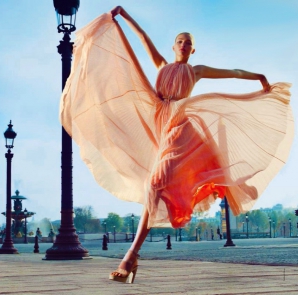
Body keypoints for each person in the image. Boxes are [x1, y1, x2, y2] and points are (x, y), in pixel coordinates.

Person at [59, 5, 293, 284]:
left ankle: (130, 257)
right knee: (153, 188)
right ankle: (132, 258)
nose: (184, 45)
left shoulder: (196, 71)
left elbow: (232, 71)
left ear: (192, 51)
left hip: (181, 130)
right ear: (173, 46)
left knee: (156, 184)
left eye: (189, 43)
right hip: (159, 128)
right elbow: (143, 38)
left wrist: (259, 77)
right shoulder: (161, 65)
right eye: (180, 41)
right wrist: (124, 17)